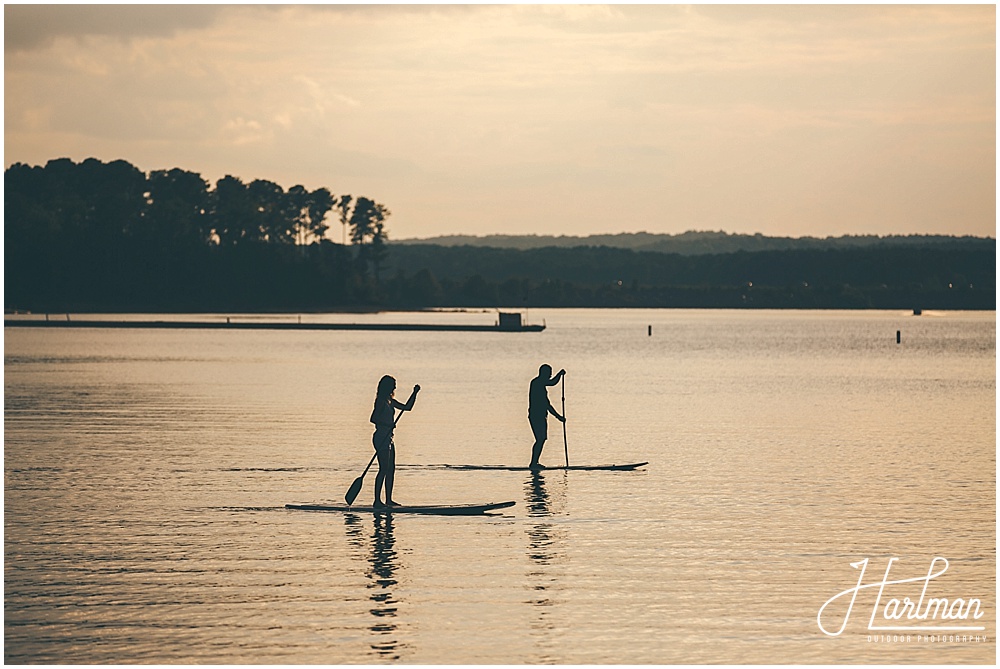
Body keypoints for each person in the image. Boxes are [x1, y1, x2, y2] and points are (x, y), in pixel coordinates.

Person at [370, 375, 420, 507]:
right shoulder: (380, 401)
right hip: (380, 437)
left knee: (391, 469)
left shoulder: (390, 400)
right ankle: (377, 501)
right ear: (387, 386)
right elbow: (373, 418)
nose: (395, 387)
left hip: (389, 438)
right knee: (383, 469)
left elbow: (407, 407)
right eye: (393, 385)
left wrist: (414, 393)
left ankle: (388, 500)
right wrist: (387, 425)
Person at [528, 364, 566, 468]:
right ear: (543, 373)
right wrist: (559, 417)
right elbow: (547, 404)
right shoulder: (536, 383)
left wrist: (559, 375)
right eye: (549, 373)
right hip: (536, 416)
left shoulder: (540, 384)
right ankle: (533, 463)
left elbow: (551, 382)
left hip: (541, 416)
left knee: (542, 439)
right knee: (540, 439)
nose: (550, 375)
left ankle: (534, 463)